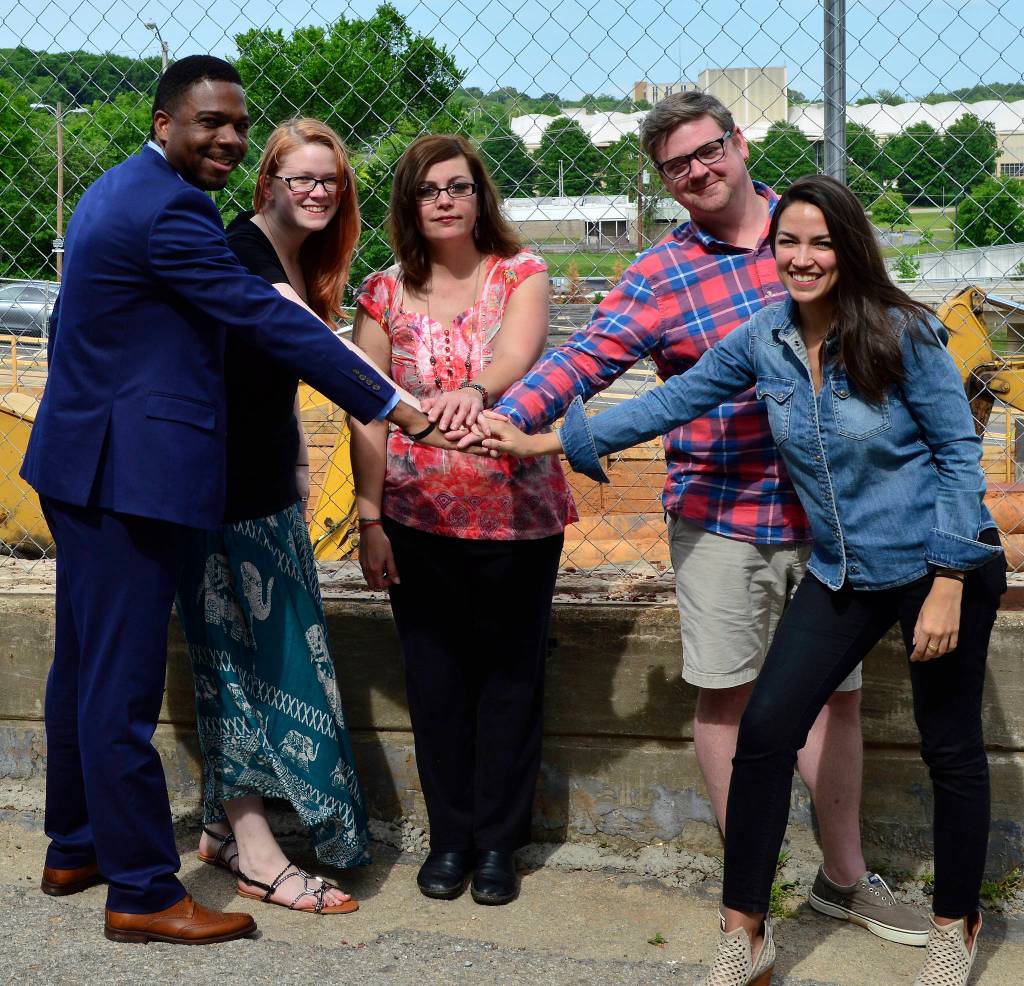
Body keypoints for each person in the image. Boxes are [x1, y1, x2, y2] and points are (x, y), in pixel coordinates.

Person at [476, 174, 1006, 986]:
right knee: (764, 733)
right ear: (773, 251)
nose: (803, 257)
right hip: (845, 568)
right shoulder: (766, 338)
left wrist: (948, 581)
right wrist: (544, 441)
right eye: (788, 242)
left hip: (941, 561)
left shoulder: (904, 333)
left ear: (850, 249)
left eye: (821, 242)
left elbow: (959, 457)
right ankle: (745, 933)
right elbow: (674, 401)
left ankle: (954, 922)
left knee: (951, 746)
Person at [21, 56, 463, 944]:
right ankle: (143, 892)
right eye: (208, 123)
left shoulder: (115, 190)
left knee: (82, 669)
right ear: (163, 123)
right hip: (129, 480)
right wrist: (399, 406)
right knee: (119, 689)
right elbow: (268, 318)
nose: (227, 138)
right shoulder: (173, 210)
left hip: (84, 464)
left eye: (237, 124)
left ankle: (75, 845)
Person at [349, 134, 577, 906]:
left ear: (482, 197)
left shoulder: (520, 273)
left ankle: (499, 844)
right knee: (436, 682)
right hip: (416, 519)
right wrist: (370, 518)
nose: (445, 200)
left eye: (459, 186)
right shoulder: (381, 293)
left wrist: (475, 390)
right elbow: (366, 409)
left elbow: (517, 356)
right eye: (428, 189)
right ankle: (450, 838)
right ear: (408, 204)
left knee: (511, 681)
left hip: (517, 515)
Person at [174, 118, 374, 915]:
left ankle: (224, 830)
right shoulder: (242, 250)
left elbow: (277, 385)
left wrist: (297, 475)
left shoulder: (305, 257)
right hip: (215, 496)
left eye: (331, 179)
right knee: (232, 669)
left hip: (266, 495)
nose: (319, 191)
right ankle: (256, 856)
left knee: (277, 665)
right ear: (269, 184)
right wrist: (405, 406)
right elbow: (305, 344)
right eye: (302, 178)